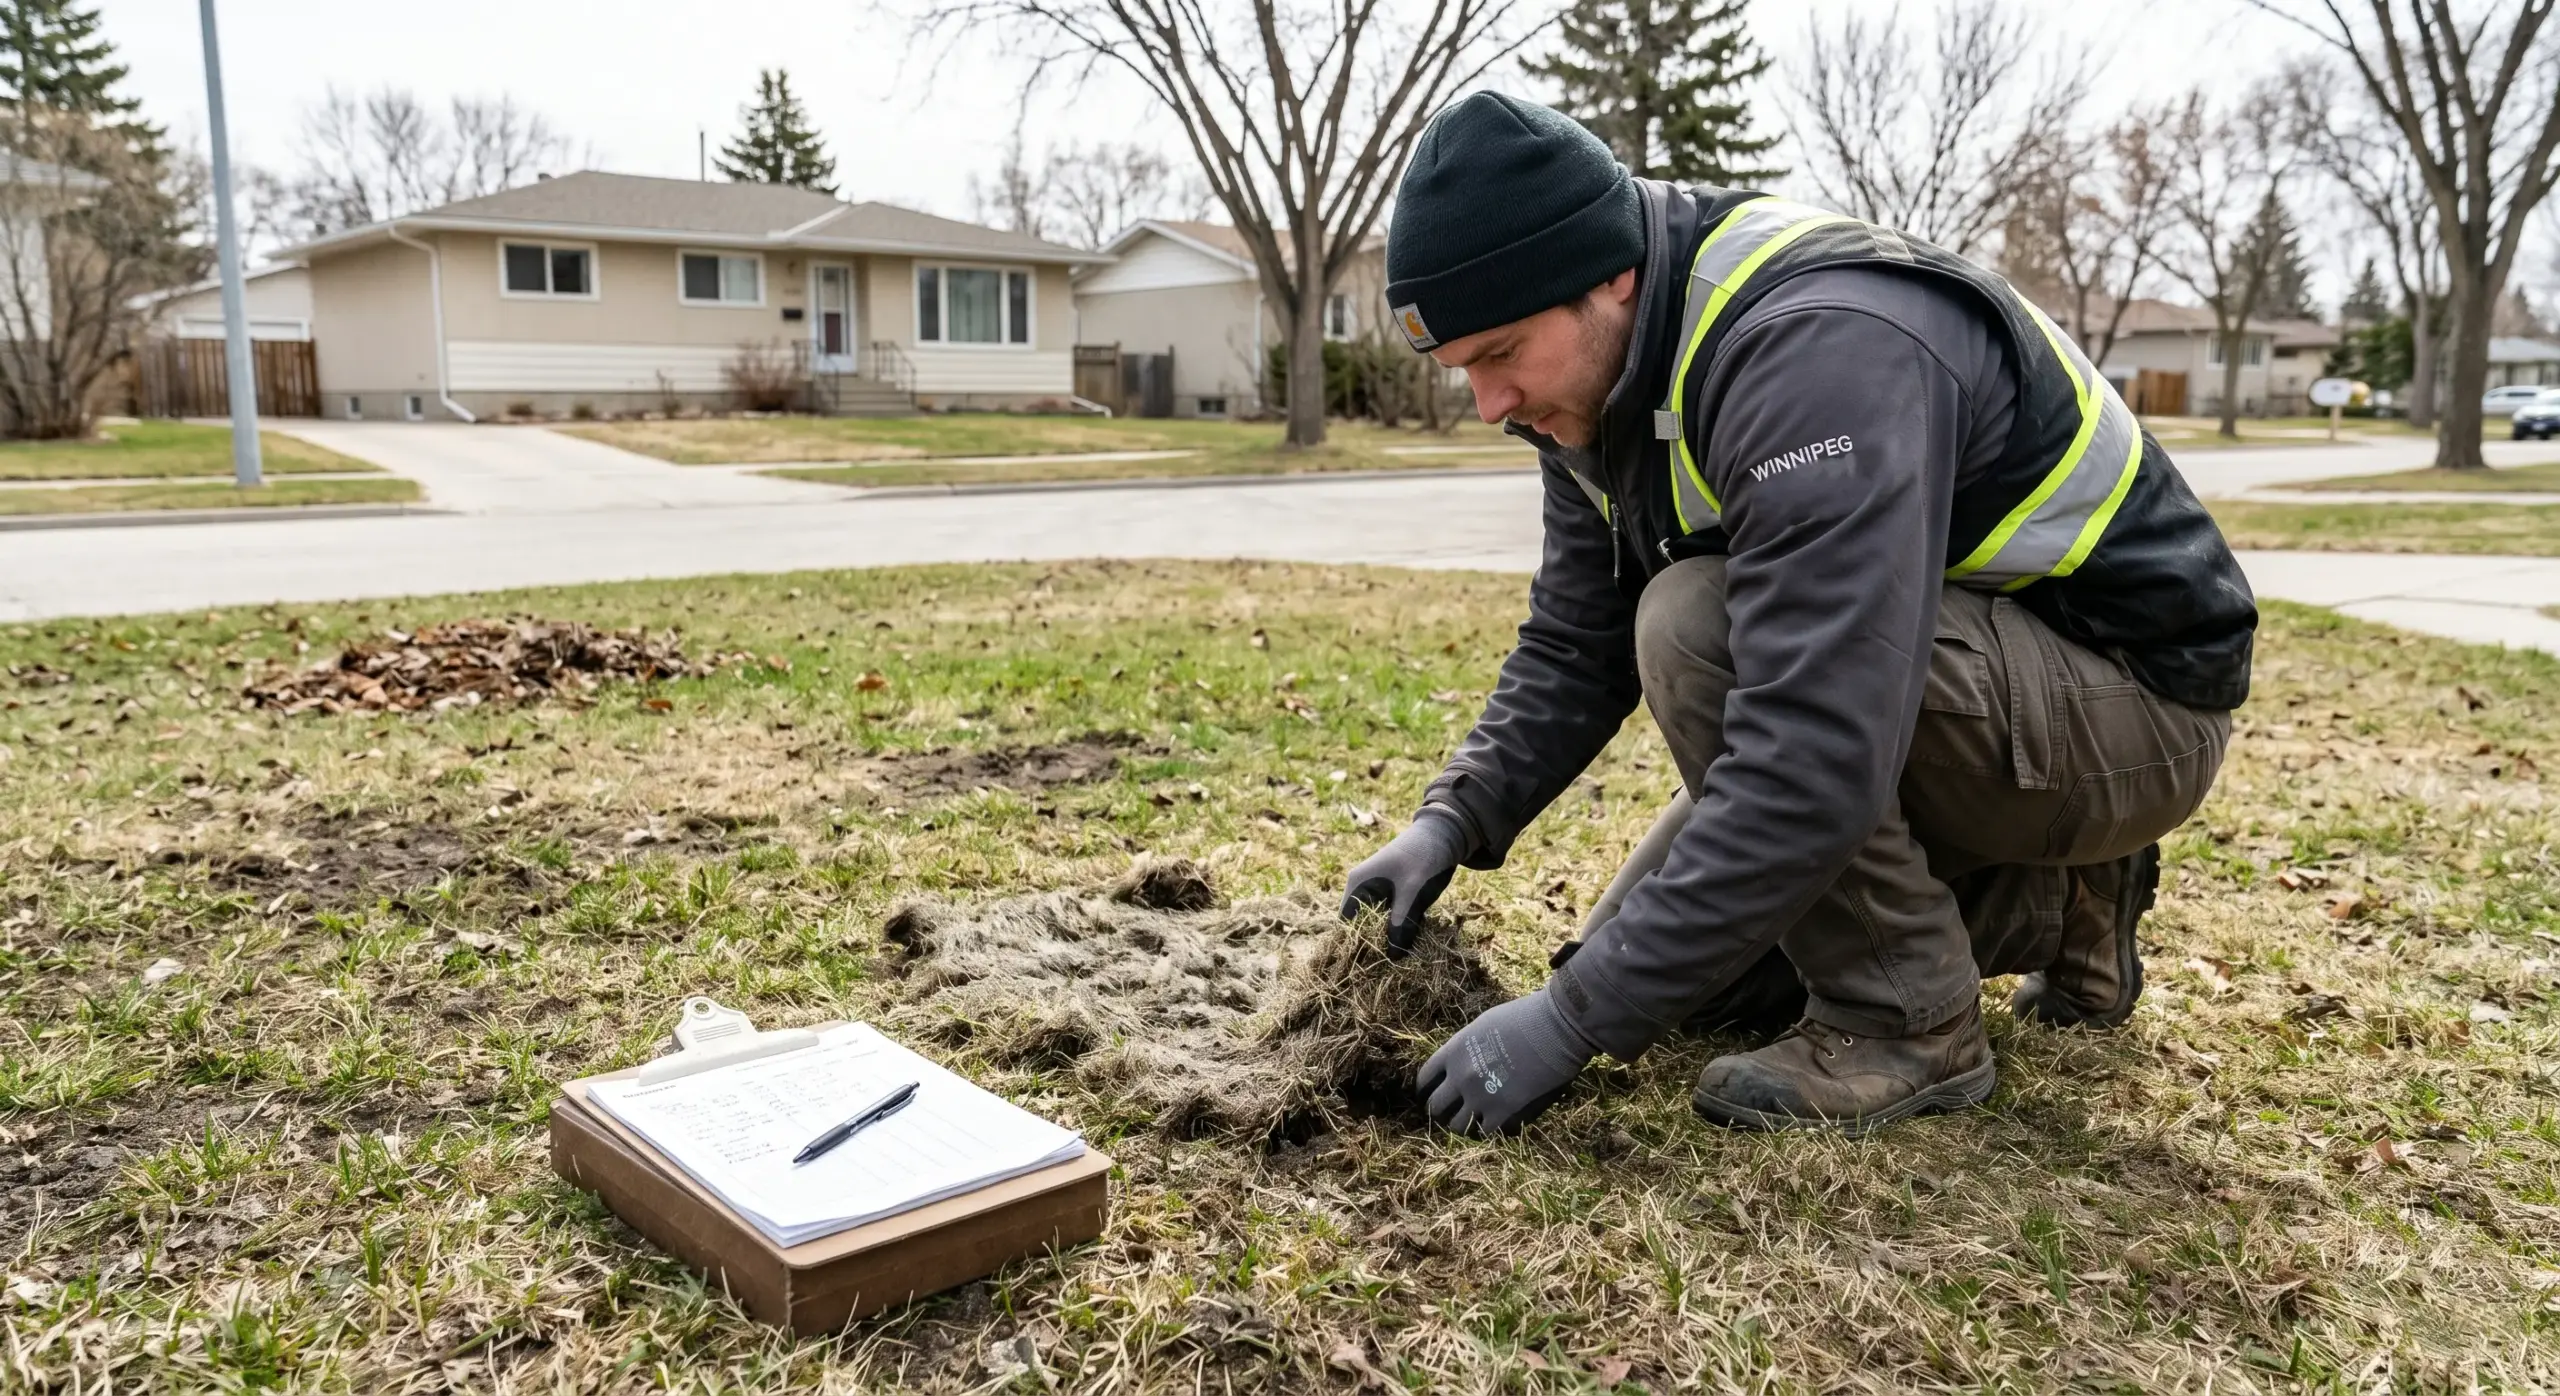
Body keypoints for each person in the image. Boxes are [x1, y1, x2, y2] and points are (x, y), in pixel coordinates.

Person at [1339, 93, 2255, 1137]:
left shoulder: (1817, 353)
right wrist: (1451, 819)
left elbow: (1812, 746)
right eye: (1460, 369)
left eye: (1499, 352)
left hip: (2133, 706)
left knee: (1691, 623)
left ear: (1610, 274)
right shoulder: (1596, 383)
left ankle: (1906, 1022)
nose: (1488, 404)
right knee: (1689, 988)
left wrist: (1572, 1021)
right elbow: (1576, 638)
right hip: (1964, 685)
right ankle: (2067, 906)